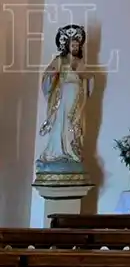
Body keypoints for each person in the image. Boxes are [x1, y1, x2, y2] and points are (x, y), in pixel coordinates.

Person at [38, 25, 92, 165]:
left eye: (77, 45)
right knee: (60, 121)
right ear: (67, 45)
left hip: (76, 97)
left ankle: (71, 150)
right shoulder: (60, 60)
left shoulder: (80, 62)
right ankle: (57, 151)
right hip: (62, 96)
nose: (74, 47)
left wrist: (83, 75)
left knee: (73, 121)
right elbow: (48, 76)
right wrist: (52, 74)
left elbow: (88, 79)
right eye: (72, 44)